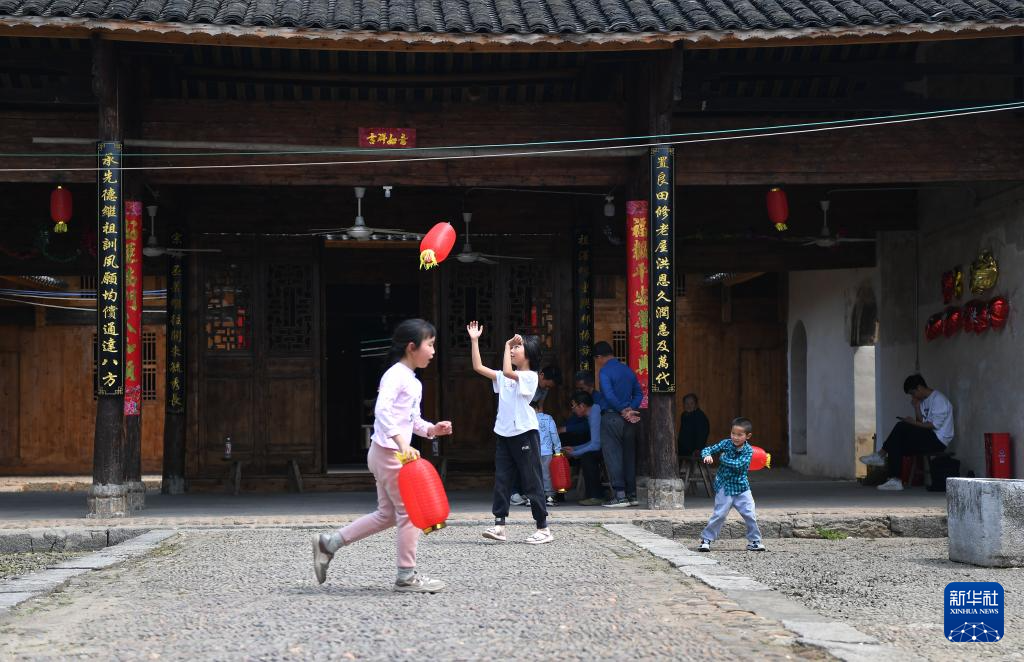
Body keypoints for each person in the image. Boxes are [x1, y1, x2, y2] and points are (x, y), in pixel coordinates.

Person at [312, 319, 453, 592]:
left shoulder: (412, 381)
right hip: (389, 454)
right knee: (409, 513)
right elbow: (382, 411)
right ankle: (406, 577)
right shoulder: (395, 375)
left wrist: (432, 429)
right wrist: (401, 443)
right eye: (430, 344)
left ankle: (329, 543)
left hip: (386, 452)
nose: (434, 351)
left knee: (387, 514)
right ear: (412, 347)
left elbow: (411, 419)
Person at [467, 321, 553, 545]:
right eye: (512, 347)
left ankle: (543, 528)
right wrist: (474, 341)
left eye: (518, 347)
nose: (513, 350)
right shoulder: (505, 377)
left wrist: (505, 345)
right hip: (504, 434)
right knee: (502, 480)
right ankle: (499, 526)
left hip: (524, 433)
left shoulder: (530, 376)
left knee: (531, 480)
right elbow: (478, 367)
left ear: (529, 353)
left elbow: (507, 371)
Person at [860, 374, 954, 491]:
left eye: (913, 393)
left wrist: (911, 422)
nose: (913, 396)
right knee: (896, 443)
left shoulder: (938, 399)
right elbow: (921, 422)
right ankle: (894, 480)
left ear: (919, 388)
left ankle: (880, 455)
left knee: (901, 426)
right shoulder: (923, 401)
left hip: (938, 441)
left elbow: (932, 425)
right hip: (928, 437)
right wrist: (916, 407)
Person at [697, 417, 766, 553]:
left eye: (739, 435)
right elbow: (708, 449)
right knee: (719, 514)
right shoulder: (726, 443)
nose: (735, 437)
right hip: (724, 486)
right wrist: (707, 455)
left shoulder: (748, 451)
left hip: (742, 488)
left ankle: (755, 541)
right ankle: (706, 540)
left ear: (748, 436)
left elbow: (738, 465)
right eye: (733, 433)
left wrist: (722, 458)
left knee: (750, 514)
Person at [593, 341, 642, 508]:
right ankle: (632, 495)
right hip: (629, 420)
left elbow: (608, 395)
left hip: (612, 417)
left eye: (596, 359)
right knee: (629, 456)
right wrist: (630, 409)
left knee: (613, 456)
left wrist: (622, 410)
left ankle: (620, 496)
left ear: (599, 357)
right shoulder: (628, 370)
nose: (597, 362)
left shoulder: (605, 371)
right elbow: (639, 393)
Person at [561, 390, 606, 505]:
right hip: (604, 446)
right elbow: (594, 441)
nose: (572, 409)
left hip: (609, 448)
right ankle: (593, 495)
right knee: (586, 454)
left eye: (573, 406)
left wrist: (574, 453)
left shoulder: (595, 414)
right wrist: (575, 449)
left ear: (582, 406)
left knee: (587, 457)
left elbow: (596, 445)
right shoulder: (591, 413)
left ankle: (596, 496)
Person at [534, 400, 562, 506]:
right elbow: (554, 433)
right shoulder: (548, 418)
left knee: (532, 473)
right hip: (546, 451)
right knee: (547, 474)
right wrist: (557, 449)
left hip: (531, 452)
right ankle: (549, 497)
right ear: (539, 408)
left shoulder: (527, 419)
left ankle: (532, 497)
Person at [677, 393, 711, 458]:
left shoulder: (700, 416)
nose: (689, 406)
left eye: (691, 403)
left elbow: (702, 433)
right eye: (686, 403)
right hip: (683, 449)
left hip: (694, 450)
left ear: (696, 404)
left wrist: (698, 448)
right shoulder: (684, 415)